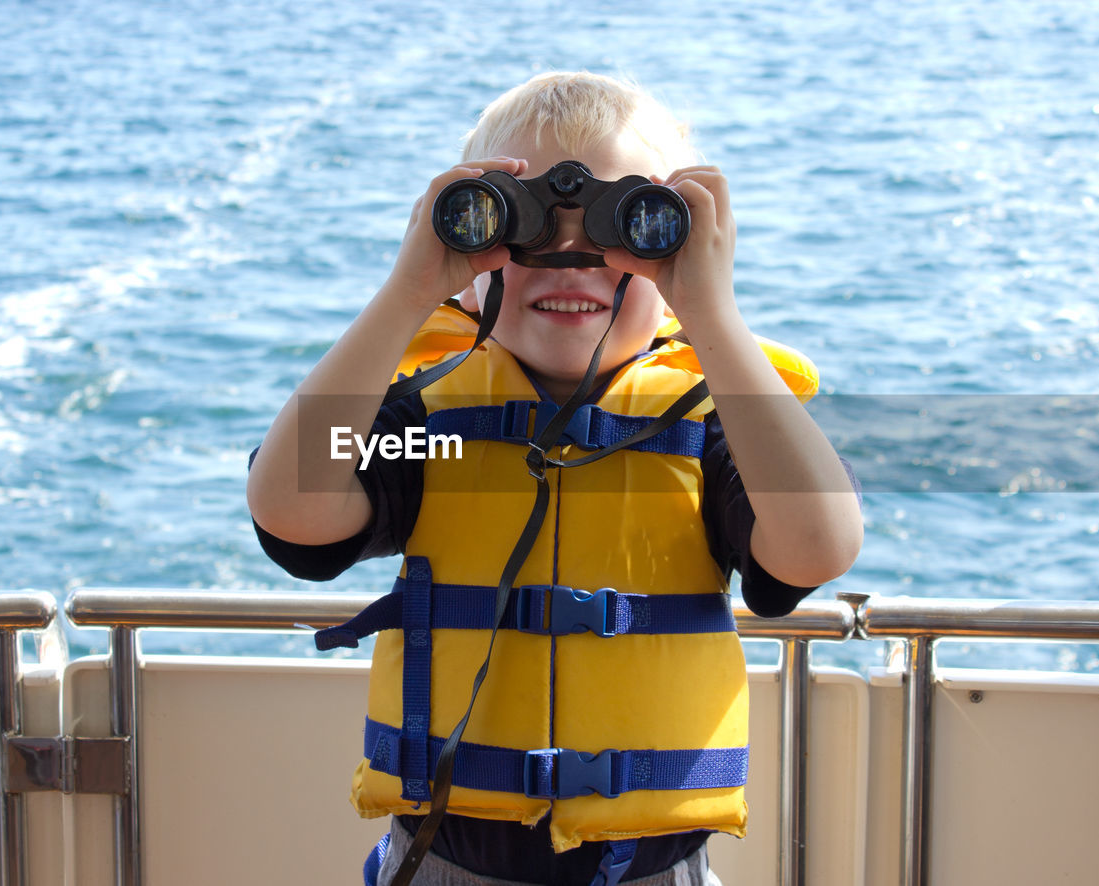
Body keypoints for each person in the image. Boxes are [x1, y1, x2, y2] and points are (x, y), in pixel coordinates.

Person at [247, 71, 863, 886]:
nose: (570, 263)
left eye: (629, 230)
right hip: (442, 862)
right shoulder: (434, 431)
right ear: (472, 264)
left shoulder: (716, 426)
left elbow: (818, 545)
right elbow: (292, 507)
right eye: (524, 228)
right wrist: (407, 292)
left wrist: (713, 315)